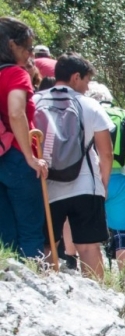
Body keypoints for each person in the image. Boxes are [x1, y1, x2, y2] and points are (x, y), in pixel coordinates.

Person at [34, 53, 113, 280]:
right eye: (87, 81)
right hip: (86, 185)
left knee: (49, 243)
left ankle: (49, 287)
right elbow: (106, 153)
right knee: (88, 246)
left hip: (47, 184)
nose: (87, 88)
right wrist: (103, 184)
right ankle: (98, 295)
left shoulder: (37, 100)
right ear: (76, 77)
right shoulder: (89, 105)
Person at [0, 17, 49, 260]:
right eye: (27, 47)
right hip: (18, 156)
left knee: (5, 230)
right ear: (11, 45)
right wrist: (30, 157)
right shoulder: (15, 74)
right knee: (30, 228)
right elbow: (16, 112)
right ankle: (34, 278)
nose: (30, 54)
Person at [86, 81, 125, 267]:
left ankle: (93, 277)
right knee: (122, 232)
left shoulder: (87, 112)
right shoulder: (124, 115)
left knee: (90, 230)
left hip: (92, 178)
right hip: (121, 180)